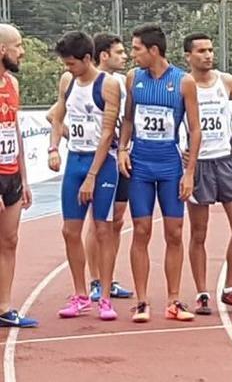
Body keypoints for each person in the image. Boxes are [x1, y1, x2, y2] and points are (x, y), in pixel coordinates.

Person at [118, 24, 202, 323]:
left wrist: (189, 173)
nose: (132, 54)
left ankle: (174, 300)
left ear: (154, 50)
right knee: (141, 230)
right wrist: (123, 149)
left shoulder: (184, 82)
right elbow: (128, 119)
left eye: (137, 49)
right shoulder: (134, 78)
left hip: (170, 166)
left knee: (175, 233)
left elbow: (194, 130)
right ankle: (141, 301)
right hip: (140, 166)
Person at [46, 34, 134, 302]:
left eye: (71, 63)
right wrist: (55, 146)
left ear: (87, 58)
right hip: (79, 159)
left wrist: (115, 155)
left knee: (111, 224)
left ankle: (105, 288)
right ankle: (88, 288)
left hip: (109, 160)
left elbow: (110, 130)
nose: (67, 69)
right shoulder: (68, 80)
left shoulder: (112, 85)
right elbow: (55, 114)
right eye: (118, 52)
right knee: (77, 228)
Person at [183, 33, 232, 315]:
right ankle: (202, 293)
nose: (208, 55)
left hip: (225, 162)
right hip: (198, 165)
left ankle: (229, 289)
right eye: (201, 51)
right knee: (199, 233)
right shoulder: (184, 85)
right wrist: (182, 149)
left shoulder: (225, 81)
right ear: (188, 56)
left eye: (211, 50)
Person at [0, 24, 36, 328]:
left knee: (9, 240)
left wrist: (24, 178)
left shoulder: (11, 83)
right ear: (2, 50)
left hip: (11, 173)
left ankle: (4, 307)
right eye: (18, 46)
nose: (21, 52)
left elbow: (15, 131)